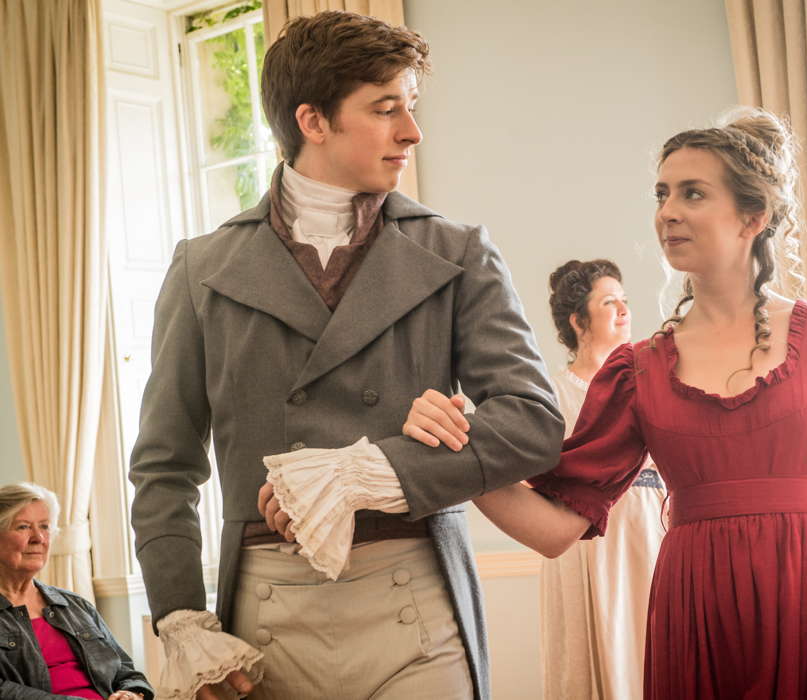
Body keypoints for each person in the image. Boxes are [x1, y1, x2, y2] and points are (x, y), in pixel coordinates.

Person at [401, 108, 807, 699]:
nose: (667, 211)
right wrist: (460, 454)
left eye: (693, 193)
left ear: (755, 216)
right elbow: (554, 529)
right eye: (662, 193)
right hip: (699, 620)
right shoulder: (636, 370)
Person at [128, 11, 562, 700]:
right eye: (387, 109)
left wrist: (369, 470)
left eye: (410, 108)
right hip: (266, 619)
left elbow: (533, 422)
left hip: (416, 602)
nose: (411, 132)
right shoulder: (201, 268)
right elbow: (163, 468)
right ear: (313, 121)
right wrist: (181, 615)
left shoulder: (457, 251)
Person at [541, 259, 665, 699]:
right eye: (609, 302)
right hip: (588, 538)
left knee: (653, 643)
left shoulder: (649, 381)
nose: (623, 310)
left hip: (651, 529)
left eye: (625, 301)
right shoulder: (552, 394)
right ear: (578, 321)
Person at [0, 482, 154, 700]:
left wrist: (131, 693)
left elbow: (126, 670)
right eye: (23, 527)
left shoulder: (75, 605)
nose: (39, 538)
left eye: (44, 526)